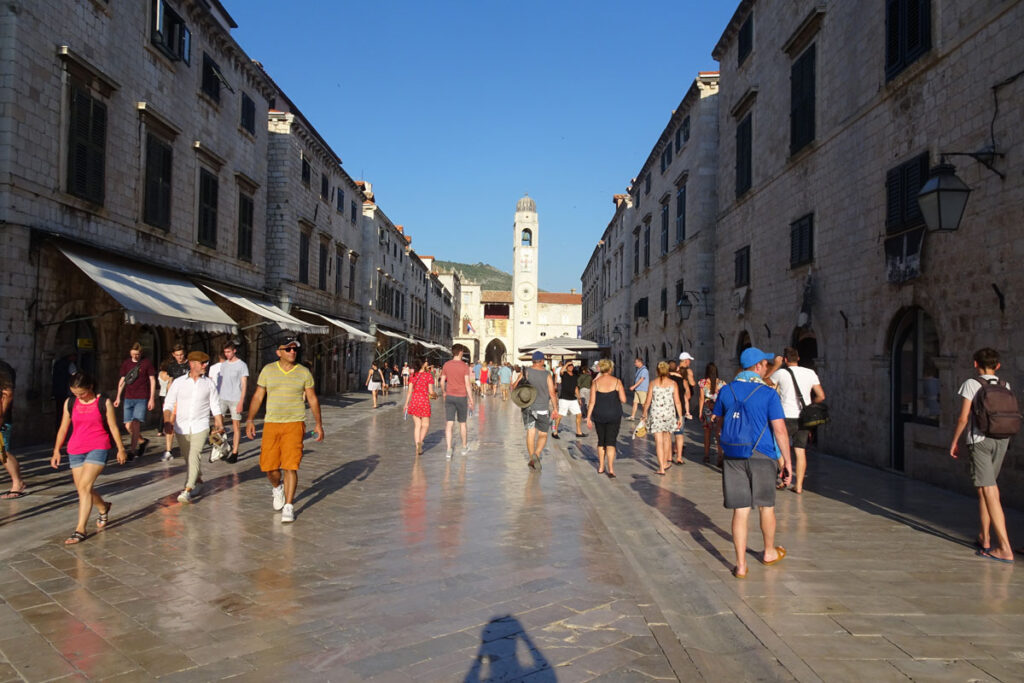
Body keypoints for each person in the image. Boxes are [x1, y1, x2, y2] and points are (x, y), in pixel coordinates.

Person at [712, 347, 793, 579]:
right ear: (757, 367)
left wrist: (721, 448)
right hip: (762, 455)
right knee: (766, 507)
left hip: (734, 455)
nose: (767, 367)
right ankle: (768, 552)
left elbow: (719, 423)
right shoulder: (768, 394)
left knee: (741, 510)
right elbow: (780, 430)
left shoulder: (726, 391)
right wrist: (787, 461)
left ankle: (740, 565)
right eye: (765, 364)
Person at [246, 338, 324, 523]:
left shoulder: (304, 372)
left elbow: (312, 399)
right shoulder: (268, 370)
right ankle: (277, 487)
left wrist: (318, 424)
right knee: (270, 467)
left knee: (291, 465)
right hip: (272, 423)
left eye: (295, 349)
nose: (292, 352)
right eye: (288, 349)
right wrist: (249, 419)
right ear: (278, 352)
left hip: (295, 423)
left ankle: (289, 505)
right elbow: (258, 395)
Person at [950, 347, 1015, 563]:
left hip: (979, 441)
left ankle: (1004, 548)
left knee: (989, 490)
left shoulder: (972, 384)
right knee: (985, 489)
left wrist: (954, 441)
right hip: (1002, 439)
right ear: (997, 366)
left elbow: (963, 418)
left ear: (976, 364)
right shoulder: (1006, 385)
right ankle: (984, 537)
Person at [50, 372, 127, 543]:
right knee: (83, 489)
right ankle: (103, 507)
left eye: (82, 393)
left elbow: (114, 427)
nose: (79, 397)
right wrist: (56, 450)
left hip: (98, 446)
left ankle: (80, 529)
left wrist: (121, 448)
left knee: (84, 487)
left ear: (90, 387)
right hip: (75, 448)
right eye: (75, 393)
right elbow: (63, 427)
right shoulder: (69, 403)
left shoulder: (103, 402)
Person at [164, 351, 224, 504]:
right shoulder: (178, 382)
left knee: (194, 455)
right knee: (188, 459)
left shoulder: (209, 383)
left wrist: (219, 424)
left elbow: (215, 406)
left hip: (201, 425)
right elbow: (169, 403)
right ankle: (198, 480)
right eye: (203, 363)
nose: (205, 366)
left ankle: (187, 489)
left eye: (206, 363)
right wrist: (167, 422)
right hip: (181, 428)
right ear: (192, 364)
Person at [770, 347, 826, 494]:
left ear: (785, 359)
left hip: (785, 415)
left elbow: (767, 385)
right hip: (804, 417)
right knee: (800, 451)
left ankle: (785, 477)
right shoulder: (810, 373)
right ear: (798, 358)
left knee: (780, 447)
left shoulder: (780, 373)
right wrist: (811, 404)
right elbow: (821, 396)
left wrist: (776, 365)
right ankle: (799, 486)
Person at [513, 351, 560, 470]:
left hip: (527, 407)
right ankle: (536, 454)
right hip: (542, 408)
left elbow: (514, 386)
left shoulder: (526, 371)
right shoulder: (546, 374)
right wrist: (555, 408)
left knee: (530, 433)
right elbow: (552, 393)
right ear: (542, 361)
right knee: (543, 434)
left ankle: (531, 459)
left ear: (533, 361)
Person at [113, 342, 157, 460]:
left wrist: (151, 398)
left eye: (137, 354)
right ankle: (142, 441)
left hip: (141, 397)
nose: (135, 356)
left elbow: (152, 380)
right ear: (130, 353)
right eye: (133, 354)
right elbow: (123, 380)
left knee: (135, 423)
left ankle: (132, 451)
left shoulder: (146, 363)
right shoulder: (126, 363)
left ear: (141, 353)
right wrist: (118, 397)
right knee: (128, 426)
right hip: (128, 397)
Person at [586, 359, 626, 478]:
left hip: (599, 414)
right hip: (614, 414)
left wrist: (588, 417)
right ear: (610, 368)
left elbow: (592, 402)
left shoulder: (596, 382)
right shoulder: (617, 382)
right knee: (611, 442)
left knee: (601, 441)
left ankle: (601, 466)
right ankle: (611, 469)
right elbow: (624, 400)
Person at [642, 362, 684, 475]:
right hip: (669, 415)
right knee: (666, 439)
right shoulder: (673, 383)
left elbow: (648, 401)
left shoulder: (653, 383)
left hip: (656, 415)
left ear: (657, 371)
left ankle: (661, 467)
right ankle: (665, 462)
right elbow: (678, 402)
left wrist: (644, 414)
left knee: (658, 441)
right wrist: (680, 417)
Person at [214, 341, 249, 463]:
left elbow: (244, 384)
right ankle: (222, 448)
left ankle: (235, 452)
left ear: (234, 351)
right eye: (225, 352)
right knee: (218, 425)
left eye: (229, 351)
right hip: (223, 397)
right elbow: (222, 381)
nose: (226, 354)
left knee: (236, 426)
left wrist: (241, 401)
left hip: (235, 398)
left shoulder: (242, 365)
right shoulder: (223, 365)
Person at [440, 345, 474, 458]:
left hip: (449, 396)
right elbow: (467, 384)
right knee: (462, 423)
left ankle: (449, 450)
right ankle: (464, 447)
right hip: (461, 396)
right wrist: (471, 399)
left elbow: (442, 381)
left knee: (449, 423)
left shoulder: (446, 365)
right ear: (460, 352)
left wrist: (444, 392)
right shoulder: (464, 366)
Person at [158, 344, 190, 461]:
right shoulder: (171, 367)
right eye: (177, 355)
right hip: (176, 399)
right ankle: (168, 450)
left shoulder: (190, 365)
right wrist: (168, 398)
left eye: (181, 354)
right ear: (173, 355)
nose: (179, 357)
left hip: (188, 399)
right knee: (170, 423)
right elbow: (170, 382)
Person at [0, 359, 26, 499]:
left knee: (2, 452)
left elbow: (7, 393)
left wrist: (1, 416)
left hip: (1, 419)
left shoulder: (2, 368)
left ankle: (18, 483)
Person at [698, 362, 727, 466]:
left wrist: (700, 412)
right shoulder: (722, 383)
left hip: (707, 410)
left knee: (707, 433)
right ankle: (720, 455)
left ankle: (706, 456)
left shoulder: (703, 383)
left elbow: (701, 399)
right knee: (718, 433)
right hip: (719, 411)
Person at [403, 358, 434, 455]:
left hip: (415, 401)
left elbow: (409, 391)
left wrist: (406, 404)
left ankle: (417, 446)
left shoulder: (413, 376)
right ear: (423, 364)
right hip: (424, 402)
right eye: (426, 362)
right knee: (426, 425)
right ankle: (420, 441)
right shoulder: (428, 376)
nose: (427, 363)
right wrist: (435, 395)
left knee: (417, 425)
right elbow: (431, 392)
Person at [552, 362, 585, 438]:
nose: (570, 367)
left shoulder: (575, 376)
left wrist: (579, 398)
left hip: (573, 398)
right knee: (560, 415)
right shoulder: (564, 374)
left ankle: (579, 432)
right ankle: (555, 432)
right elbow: (561, 371)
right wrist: (567, 364)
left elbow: (576, 388)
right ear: (566, 367)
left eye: (571, 366)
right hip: (564, 398)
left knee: (579, 414)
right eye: (569, 366)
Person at [667, 360, 689, 465]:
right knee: (679, 434)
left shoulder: (665, 379)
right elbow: (688, 396)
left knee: (667, 434)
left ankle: (669, 456)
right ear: (676, 368)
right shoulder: (683, 380)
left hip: (667, 410)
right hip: (679, 410)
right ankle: (679, 457)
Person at [51, 350, 77, 430]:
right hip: (66, 393)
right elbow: (75, 376)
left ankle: (58, 431)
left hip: (58, 392)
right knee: (67, 414)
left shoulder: (56, 363)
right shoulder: (70, 364)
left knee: (59, 413)